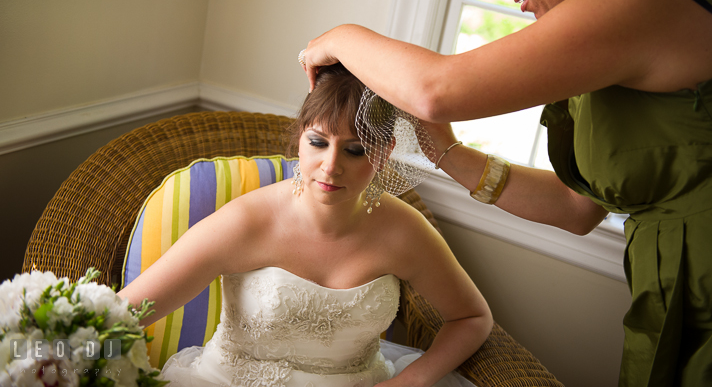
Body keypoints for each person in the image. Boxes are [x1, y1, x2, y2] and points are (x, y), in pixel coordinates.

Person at [298, 0, 712, 385]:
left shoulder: (646, 0)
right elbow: (576, 207)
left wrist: (338, 37)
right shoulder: (622, 24)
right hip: (678, 289)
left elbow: (435, 91)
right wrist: (446, 154)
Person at [117, 65, 492, 387]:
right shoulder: (245, 221)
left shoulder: (404, 231)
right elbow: (124, 312)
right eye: (317, 142)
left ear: (384, 151)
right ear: (300, 139)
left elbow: (471, 317)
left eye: (354, 149)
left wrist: (413, 379)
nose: (330, 165)